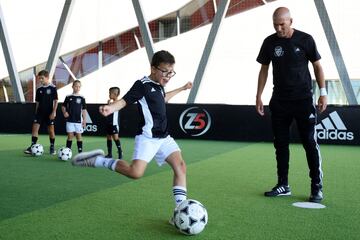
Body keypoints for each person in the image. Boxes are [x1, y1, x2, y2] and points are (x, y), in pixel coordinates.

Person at [72, 50, 193, 215]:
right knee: (135, 173)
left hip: (164, 137)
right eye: (165, 71)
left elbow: (163, 98)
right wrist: (110, 108)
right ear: (153, 68)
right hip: (148, 138)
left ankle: (181, 211)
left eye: (171, 72)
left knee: (181, 167)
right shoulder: (142, 85)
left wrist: (183, 88)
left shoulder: (160, 86)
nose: (168, 76)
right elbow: (124, 101)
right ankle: (98, 161)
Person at [255, 7, 327, 203]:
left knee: (309, 143)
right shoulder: (269, 42)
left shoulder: (305, 39)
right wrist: (258, 95)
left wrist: (323, 93)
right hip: (279, 101)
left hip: (304, 100)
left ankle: (316, 187)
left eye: (282, 24)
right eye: (275, 25)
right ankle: (283, 185)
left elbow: (318, 66)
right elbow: (264, 70)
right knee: (280, 145)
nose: (279, 28)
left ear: (290, 21)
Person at [24, 70, 58, 155]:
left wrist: (54, 112)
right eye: (39, 79)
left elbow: (56, 101)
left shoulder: (53, 88)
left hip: (49, 113)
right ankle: (32, 146)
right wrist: (36, 112)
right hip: (40, 113)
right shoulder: (39, 89)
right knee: (34, 129)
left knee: (51, 130)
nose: (41, 80)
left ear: (47, 77)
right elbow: (38, 102)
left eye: (42, 78)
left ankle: (52, 147)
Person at [61, 80, 87, 153]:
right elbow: (63, 106)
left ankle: (80, 153)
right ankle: (67, 152)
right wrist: (64, 112)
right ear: (72, 87)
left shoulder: (82, 97)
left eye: (79, 86)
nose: (77, 88)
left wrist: (84, 120)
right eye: (76, 86)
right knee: (70, 136)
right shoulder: (68, 97)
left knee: (79, 136)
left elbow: (84, 109)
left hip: (79, 120)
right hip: (70, 120)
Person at [104, 87, 123, 159]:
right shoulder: (111, 103)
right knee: (108, 137)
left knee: (115, 138)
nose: (109, 94)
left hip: (114, 123)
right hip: (108, 123)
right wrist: (108, 104)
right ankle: (109, 154)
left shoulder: (118, 102)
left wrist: (109, 105)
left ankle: (120, 152)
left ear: (115, 94)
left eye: (110, 93)